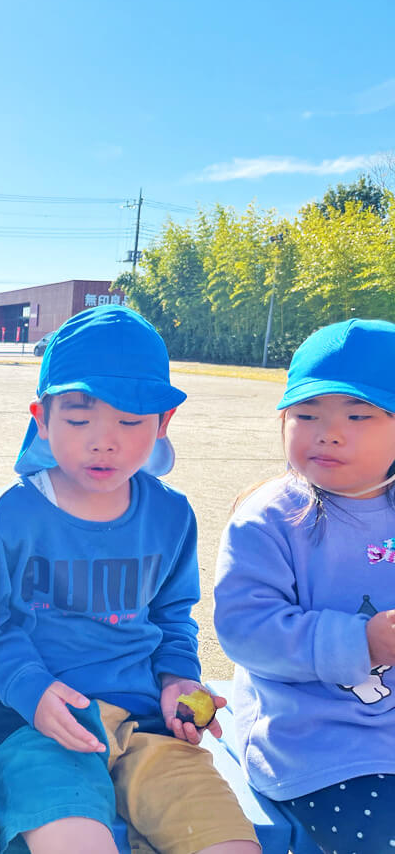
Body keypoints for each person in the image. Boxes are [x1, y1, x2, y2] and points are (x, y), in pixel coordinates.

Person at [0, 305, 259, 854]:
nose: (104, 442)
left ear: (163, 423)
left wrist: (179, 678)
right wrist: (30, 691)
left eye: (130, 422)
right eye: (79, 420)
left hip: (150, 726)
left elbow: (173, 617)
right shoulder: (12, 514)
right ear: (41, 417)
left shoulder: (171, 515)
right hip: (40, 728)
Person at [215, 318, 395, 853]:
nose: (328, 432)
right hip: (315, 741)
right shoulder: (270, 517)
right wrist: (362, 642)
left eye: (358, 415)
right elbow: (245, 629)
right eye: (306, 414)